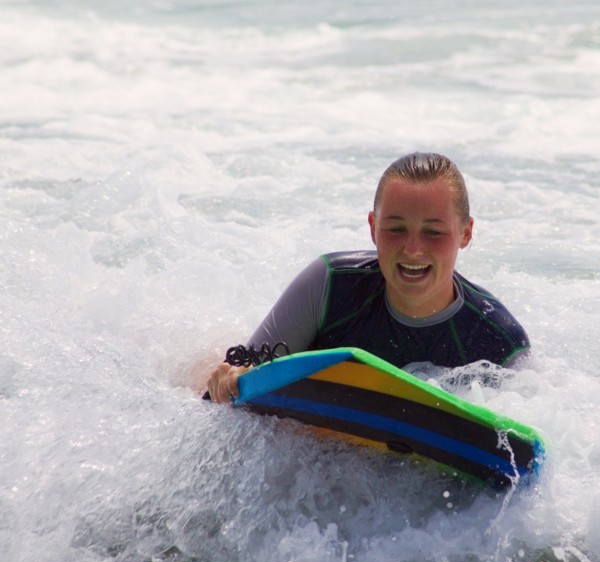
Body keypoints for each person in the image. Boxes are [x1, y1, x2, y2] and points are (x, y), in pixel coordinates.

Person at [206, 152, 530, 403]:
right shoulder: (329, 286)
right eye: (395, 228)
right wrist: (229, 380)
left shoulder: (500, 342)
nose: (413, 249)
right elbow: (240, 379)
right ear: (373, 227)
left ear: (466, 233)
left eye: (433, 232)